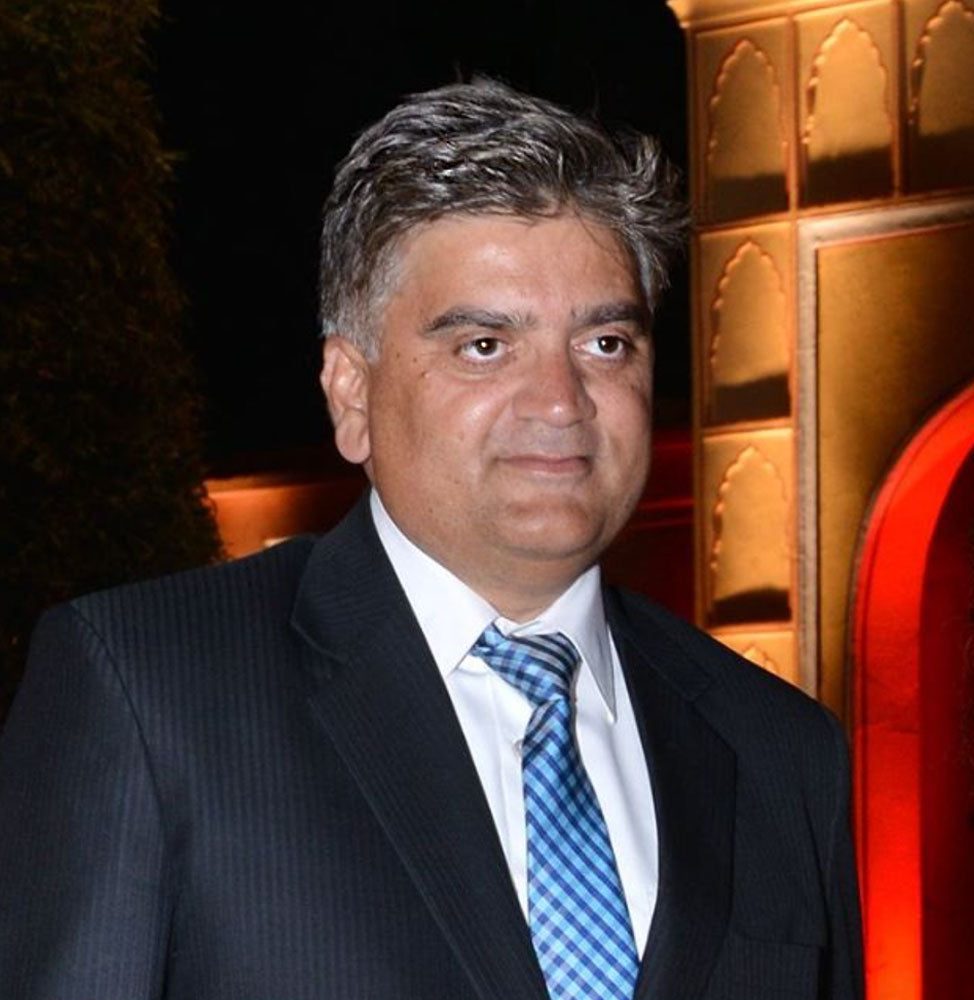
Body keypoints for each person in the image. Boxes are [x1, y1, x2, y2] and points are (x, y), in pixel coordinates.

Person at [0, 80, 863, 1000]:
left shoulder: (780, 751)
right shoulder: (147, 690)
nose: (561, 402)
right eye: (485, 345)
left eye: (606, 343)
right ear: (351, 393)